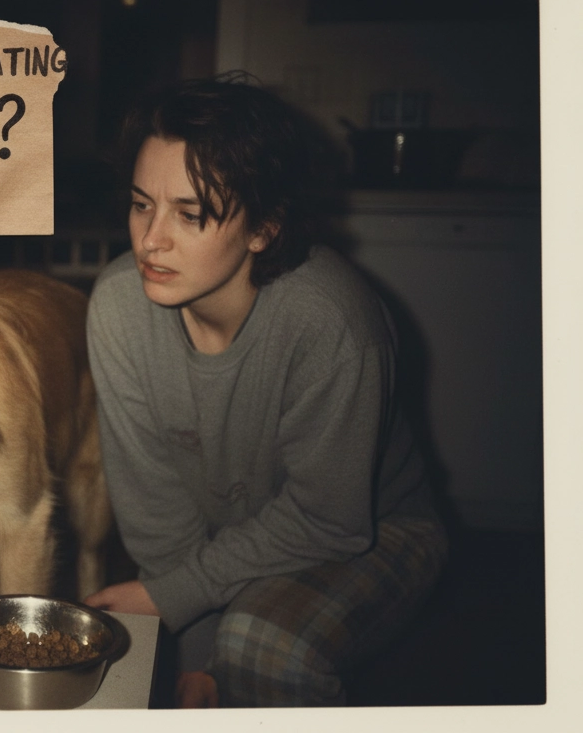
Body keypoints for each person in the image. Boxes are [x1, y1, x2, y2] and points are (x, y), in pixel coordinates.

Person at [83, 74, 447, 707]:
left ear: (265, 229)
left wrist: (179, 607)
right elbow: (159, 520)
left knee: (259, 645)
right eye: (143, 204)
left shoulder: (333, 321)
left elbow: (329, 520)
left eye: (190, 214)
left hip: (374, 528)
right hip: (241, 539)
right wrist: (200, 661)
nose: (150, 240)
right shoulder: (118, 308)